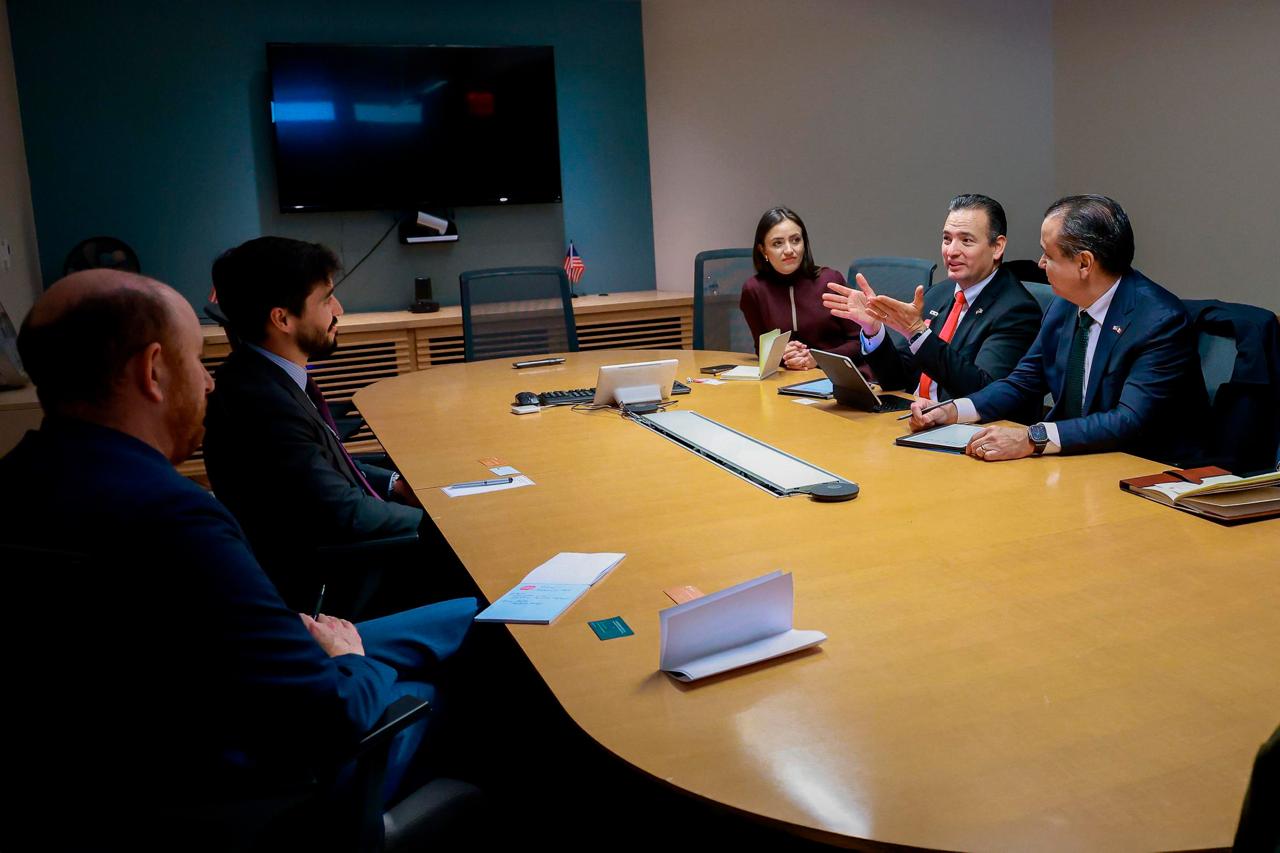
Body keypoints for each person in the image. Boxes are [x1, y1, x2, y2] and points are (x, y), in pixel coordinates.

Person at [0, 270, 476, 841]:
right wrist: (352, 659)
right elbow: (329, 714)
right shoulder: (174, 520)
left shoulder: (13, 484)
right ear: (153, 370)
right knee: (479, 678)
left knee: (476, 617)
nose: (209, 382)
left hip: (176, 722)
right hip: (262, 776)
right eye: (198, 361)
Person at [202, 237, 425, 609]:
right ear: (282, 319)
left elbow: (324, 468)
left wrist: (395, 484)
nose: (339, 309)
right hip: (343, 581)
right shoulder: (262, 404)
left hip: (349, 552)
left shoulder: (261, 374)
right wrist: (439, 520)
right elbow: (343, 512)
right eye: (326, 299)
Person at [907, 194, 1208, 465]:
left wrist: (1032, 438)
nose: (1040, 264)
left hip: (1145, 469)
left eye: (1049, 256)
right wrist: (953, 410)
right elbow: (1023, 382)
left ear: (1084, 263)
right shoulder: (1064, 304)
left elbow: (1128, 420)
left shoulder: (1158, 321)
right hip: (1077, 461)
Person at [822, 194, 1042, 422]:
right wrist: (873, 330)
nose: (951, 251)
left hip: (968, 430)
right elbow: (897, 379)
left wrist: (918, 333)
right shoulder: (939, 293)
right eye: (947, 239)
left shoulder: (1017, 310)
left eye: (966, 241)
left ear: (997, 247)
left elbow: (983, 393)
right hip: (914, 418)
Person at [739, 206, 861, 369]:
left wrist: (818, 359)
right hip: (787, 378)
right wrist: (780, 353)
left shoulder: (830, 281)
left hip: (838, 375)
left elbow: (859, 343)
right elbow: (761, 349)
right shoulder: (754, 290)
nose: (789, 250)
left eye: (796, 240)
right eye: (777, 243)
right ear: (763, 250)